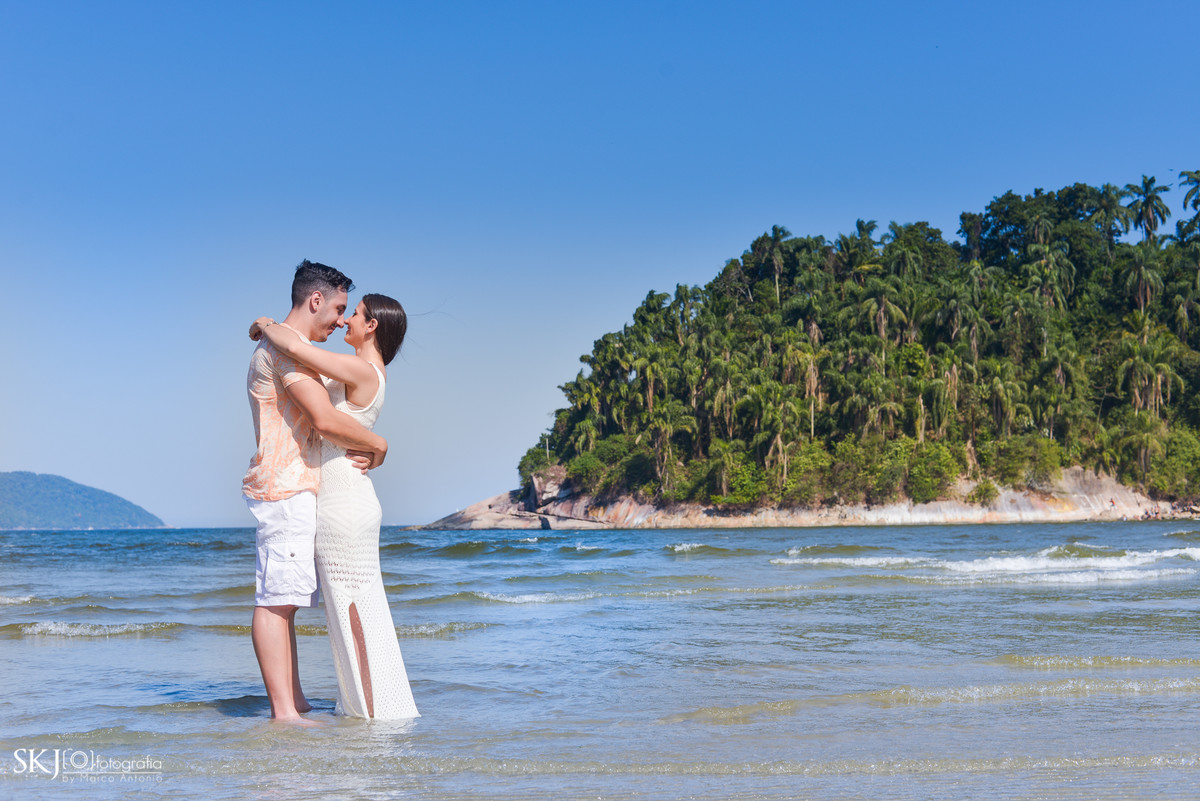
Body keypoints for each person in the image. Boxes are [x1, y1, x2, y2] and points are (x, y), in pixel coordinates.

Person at [251, 292, 420, 720]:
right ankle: (371, 706)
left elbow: (295, 348)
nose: (345, 322)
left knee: (354, 610)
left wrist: (264, 323)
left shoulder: (362, 368)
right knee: (356, 609)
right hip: (345, 497)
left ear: (372, 326)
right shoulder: (365, 371)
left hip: (344, 502)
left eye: (354, 315)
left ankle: (374, 710)